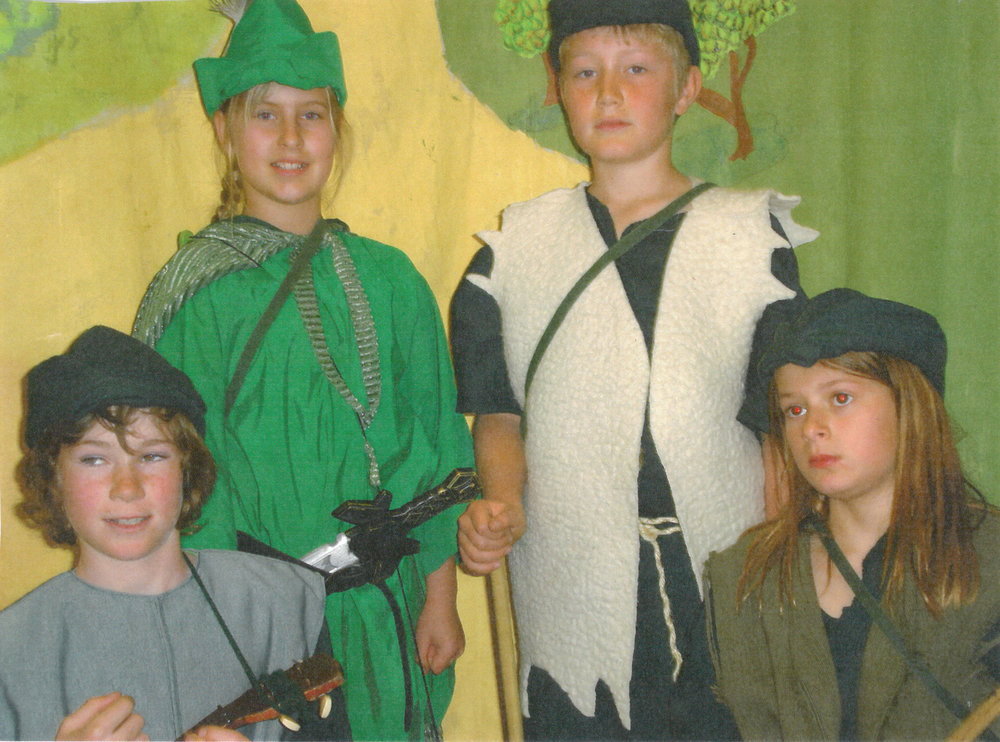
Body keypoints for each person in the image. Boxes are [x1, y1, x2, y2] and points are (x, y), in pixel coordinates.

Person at [449, 0, 817, 738]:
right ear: (558, 88)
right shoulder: (512, 255)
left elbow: (781, 422)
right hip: (572, 583)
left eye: (637, 69)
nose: (609, 93)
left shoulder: (752, 239)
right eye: (585, 73)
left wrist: (784, 561)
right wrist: (503, 505)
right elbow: (499, 413)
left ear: (687, 89)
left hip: (727, 575)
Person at [132, 1, 473, 738]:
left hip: (386, 613)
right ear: (224, 130)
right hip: (263, 627)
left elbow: (435, 448)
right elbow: (185, 481)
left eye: (311, 115)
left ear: (335, 129)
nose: (290, 138)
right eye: (265, 115)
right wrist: (225, 638)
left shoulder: (392, 280)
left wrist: (440, 597)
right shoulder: (197, 299)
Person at [0, 325, 348, 741]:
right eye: (94, 459)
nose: (127, 488)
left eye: (152, 456)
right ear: (53, 478)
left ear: (187, 468)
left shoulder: (285, 603)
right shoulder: (12, 652)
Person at [705, 288, 1000, 740]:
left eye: (840, 398)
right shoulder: (744, 578)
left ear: (909, 404)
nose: (811, 428)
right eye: (794, 409)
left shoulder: (989, 562)